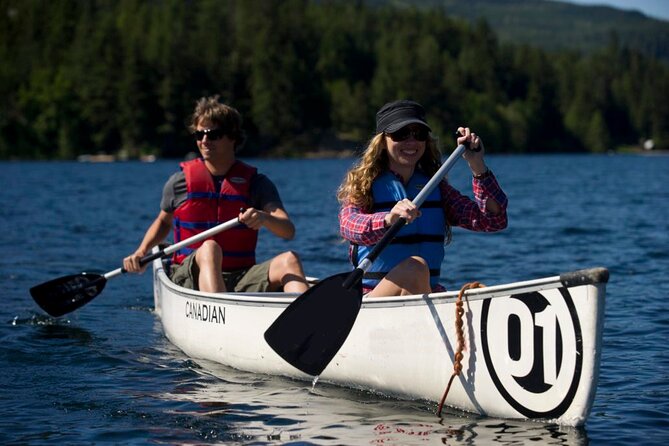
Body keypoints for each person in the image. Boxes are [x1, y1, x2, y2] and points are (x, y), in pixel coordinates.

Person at [123, 96, 309, 294]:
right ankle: (222, 314)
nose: (204, 141)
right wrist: (141, 252)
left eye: (213, 134)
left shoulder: (257, 184)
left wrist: (264, 218)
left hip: (241, 275)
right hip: (189, 276)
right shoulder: (179, 182)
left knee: (290, 260)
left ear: (233, 137)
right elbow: (163, 222)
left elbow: (287, 230)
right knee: (210, 248)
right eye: (199, 134)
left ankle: (311, 321)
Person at [337, 99, 508, 297]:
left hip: (425, 294)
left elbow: (494, 220)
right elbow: (349, 225)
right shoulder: (364, 186)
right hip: (373, 299)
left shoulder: (434, 187)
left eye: (418, 134)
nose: (411, 142)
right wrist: (388, 219)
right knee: (415, 268)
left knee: (417, 270)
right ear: (383, 141)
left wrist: (477, 164)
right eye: (401, 134)